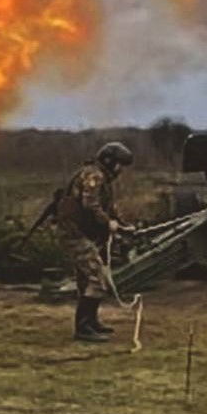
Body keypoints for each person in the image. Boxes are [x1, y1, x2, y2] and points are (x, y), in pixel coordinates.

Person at [54, 141, 135, 342]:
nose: (120, 170)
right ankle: (83, 328)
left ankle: (90, 322)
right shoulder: (94, 176)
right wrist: (109, 224)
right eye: (119, 165)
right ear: (110, 162)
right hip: (74, 234)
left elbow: (108, 207)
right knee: (97, 278)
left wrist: (123, 225)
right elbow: (91, 205)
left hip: (81, 233)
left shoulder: (100, 177)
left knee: (86, 279)